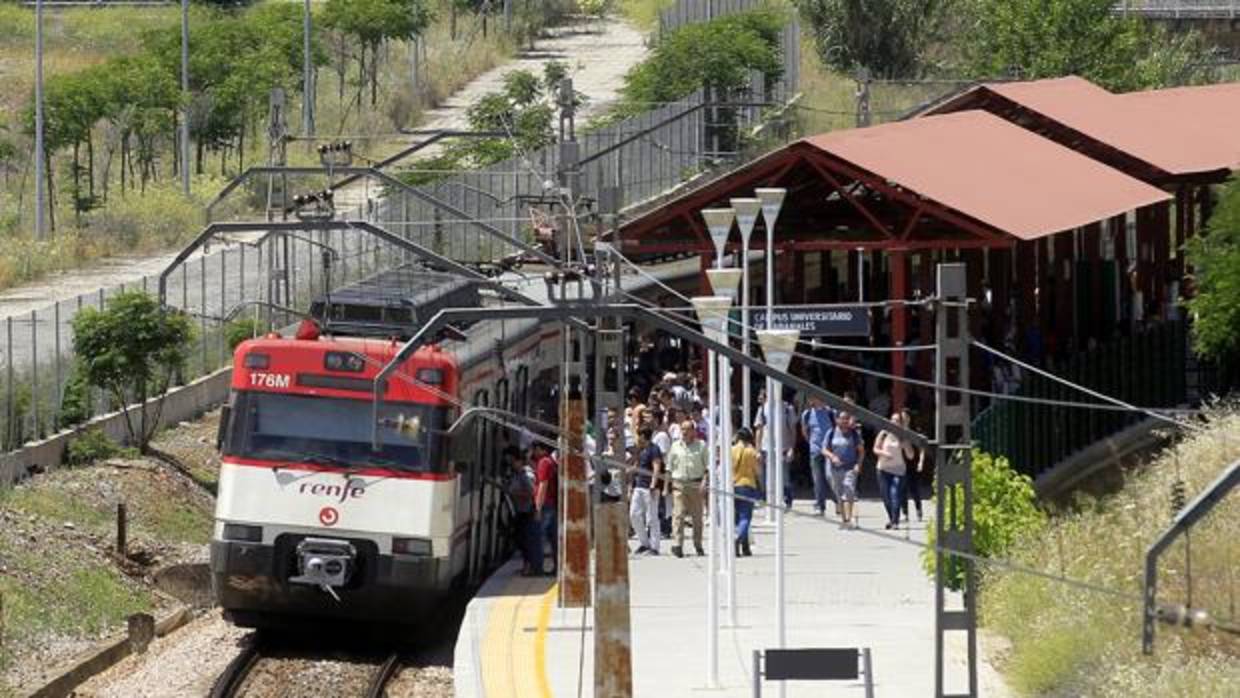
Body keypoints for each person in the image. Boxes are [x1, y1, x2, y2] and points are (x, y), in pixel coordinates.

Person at [666, 419, 708, 558]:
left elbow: (707, 467)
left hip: (696, 484)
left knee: (697, 517)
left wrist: (704, 482)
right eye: (682, 429)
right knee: (678, 515)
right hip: (679, 484)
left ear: (693, 431)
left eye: (687, 429)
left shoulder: (701, 446)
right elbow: (669, 468)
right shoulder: (675, 446)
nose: (684, 432)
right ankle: (678, 545)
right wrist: (667, 486)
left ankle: (698, 544)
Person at [823, 411, 864, 528]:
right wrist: (832, 457)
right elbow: (824, 449)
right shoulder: (831, 433)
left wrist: (858, 465)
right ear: (837, 420)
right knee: (839, 494)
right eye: (842, 419)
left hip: (850, 467)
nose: (845, 421)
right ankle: (843, 520)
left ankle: (849, 519)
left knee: (849, 490)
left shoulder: (854, 434)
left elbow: (861, 451)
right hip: (835, 468)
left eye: (847, 418)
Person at [873, 411, 914, 530]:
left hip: (899, 470)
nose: (894, 422)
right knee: (886, 497)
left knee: (894, 494)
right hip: (883, 469)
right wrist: (883, 453)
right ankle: (892, 519)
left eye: (897, 421)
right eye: (893, 420)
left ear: (901, 424)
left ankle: (895, 521)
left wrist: (905, 443)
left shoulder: (903, 436)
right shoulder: (884, 433)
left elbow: (910, 456)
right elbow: (875, 448)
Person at [504, 446, 539, 576]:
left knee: (525, 540)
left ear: (519, 461)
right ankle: (526, 565)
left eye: (513, 462)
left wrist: (515, 493)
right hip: (520, 511)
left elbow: (531, 492)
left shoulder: (526, 474)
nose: (511, 465)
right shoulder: (517, 474)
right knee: (520, 539)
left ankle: (529, 566)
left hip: (526, 512)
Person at [630, 426, 664, 556]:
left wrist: (653, 484)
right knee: (634, 515)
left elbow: (657, 467)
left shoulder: (654, 449)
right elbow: (637, 466)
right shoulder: (641, 449)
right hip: (638, 486)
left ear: (644, 436)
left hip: (649, 487)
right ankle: (645, 543)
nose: (638, 438)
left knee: (652, 518)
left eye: (639, 435)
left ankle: (655, 547)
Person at [800, 395, 836, 516]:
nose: (811, 400)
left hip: (830, 450)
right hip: (815, 450)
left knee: (830, 476)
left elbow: (837, 429)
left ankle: (838, 500)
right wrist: (812, 442)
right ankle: (820, 505)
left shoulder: (831, 412)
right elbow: (805, 431)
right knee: (817, 479)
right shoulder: (807, 414)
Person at [731, 428, 761, 557]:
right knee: (745, 517)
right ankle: (737, 539)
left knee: (737, 517)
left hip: (733, 485)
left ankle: (745, 547)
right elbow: (757, 471)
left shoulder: (731, 450)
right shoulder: (751, 451)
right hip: (748, 485)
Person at [532, 442, 559, 575]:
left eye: (535, 450)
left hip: (546, 505)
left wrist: (538, 508)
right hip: (552, 504)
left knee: (538, 538)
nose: (533, 453)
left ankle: (537, 568)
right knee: (553, 538)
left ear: (541, 449)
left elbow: (543, 485)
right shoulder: (551, 462)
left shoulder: (543, 462)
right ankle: (556, 568)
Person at [901, 409, 926, 522]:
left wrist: (921, 462)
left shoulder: (916, 430)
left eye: (906, 417)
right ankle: (905, 513)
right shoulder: (898, 430)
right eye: (902, 417)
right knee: (902, 489)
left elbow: (921, 449)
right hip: (901, 462)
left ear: (910, 418)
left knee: (914, 488)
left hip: (913, 463)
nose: (904, 419)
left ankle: (918, 509)